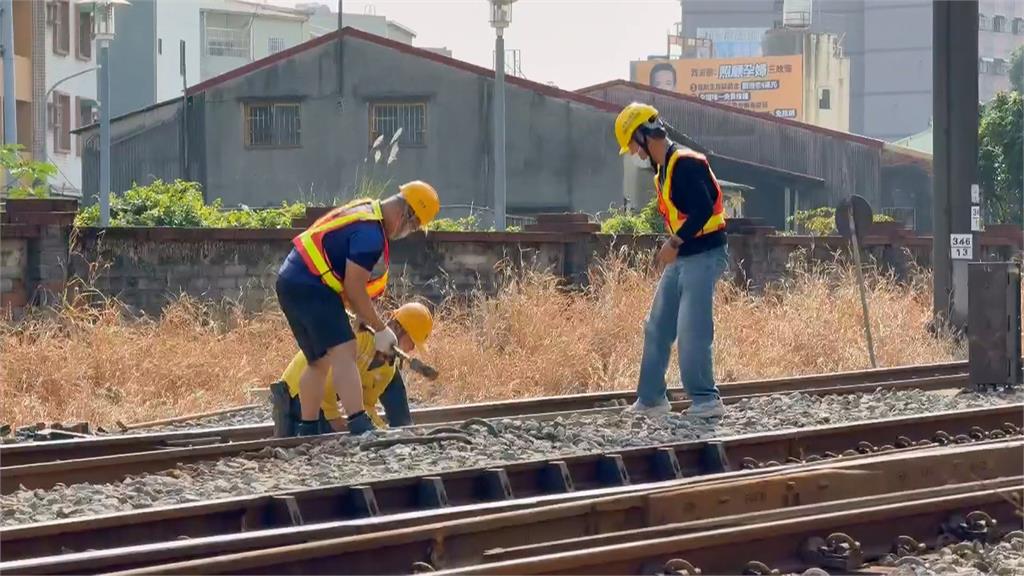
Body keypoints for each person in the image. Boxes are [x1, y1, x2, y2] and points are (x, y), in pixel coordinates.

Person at [275, 181, 440, 436]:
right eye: (414, 226)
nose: (409, 232)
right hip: (312, 284)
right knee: (345, 350)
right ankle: (358, 422)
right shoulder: (371, 236)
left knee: (319, 360)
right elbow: (354, 287)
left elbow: (346, 280)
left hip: (291, 280)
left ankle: (308, 428)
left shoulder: (366, 211)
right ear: (405, 214)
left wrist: (365, 317)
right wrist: (380, 328)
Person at [613, 102, 729, 418]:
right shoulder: (663, 171)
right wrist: (675, 246)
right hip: (684, 255)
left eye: (633, 145)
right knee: (658, 326)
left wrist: (674, 242)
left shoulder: (685, 164)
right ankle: (651, 400)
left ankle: (706, 401)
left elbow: (703, 210)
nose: (634, 153)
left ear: (644, 135)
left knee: (692, 329)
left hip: (704, 253)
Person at [270, 303, 434, 436]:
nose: (412, 349)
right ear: (397, 328)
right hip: (295, 393)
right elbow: (326, 379)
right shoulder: (359, 337)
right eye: (411, 341)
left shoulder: (387, 370)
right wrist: (334, 418)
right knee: (319, 440)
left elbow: (366, 405)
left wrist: (382, 431)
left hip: (321, 399)